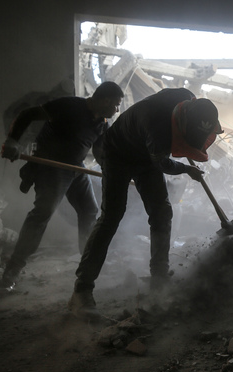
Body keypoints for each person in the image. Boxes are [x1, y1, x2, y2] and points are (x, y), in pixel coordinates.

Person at [67, 88, 222, 319]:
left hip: (145, 154)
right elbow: (163, 164)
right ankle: (82, 290)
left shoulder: (187, 100)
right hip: (118, 153)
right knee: (112, 216)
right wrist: (188, 169)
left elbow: (159, 156)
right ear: (180, 123)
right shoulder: (156, 123)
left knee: (162, 212)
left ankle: (159, 281)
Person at [0, 81, 124, 290]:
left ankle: (87, 264)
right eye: (116, 105)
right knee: (42, 213)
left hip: (76, 168)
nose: (117, 110)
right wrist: (12, 141)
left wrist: (112, 170)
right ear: (106, 100)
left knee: (89, 210)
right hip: (51, 168)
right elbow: (28, 114)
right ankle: (12, 270)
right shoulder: (69, 106)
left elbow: (100, 152)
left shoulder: (102, 122)